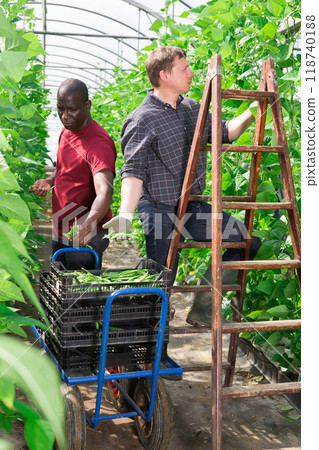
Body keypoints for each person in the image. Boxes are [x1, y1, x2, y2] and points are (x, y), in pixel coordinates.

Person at [104, 46, 261, 325]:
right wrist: (126, 213)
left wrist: (253, 108)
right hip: (159, 209)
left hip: (193, 208)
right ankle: (155, 353)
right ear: (164, 75)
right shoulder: (142, 119)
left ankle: (201, 309)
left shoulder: (192, 109)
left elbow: (226, 132)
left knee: (246, 241)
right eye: (184, 68)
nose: (191, 73)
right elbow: (133, 171)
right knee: (161, 282)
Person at [30, 78, 116, 270]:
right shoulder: (66, 133)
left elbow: (105, 192)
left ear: (87, 105)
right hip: (62, 229)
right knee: (60, 290)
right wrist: (49, 181)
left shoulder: (98, 144)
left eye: (72, 109)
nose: (65, 115)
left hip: (86, 235)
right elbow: (63, 170)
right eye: (60, 109)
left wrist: (87, 224)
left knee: (79, 295)